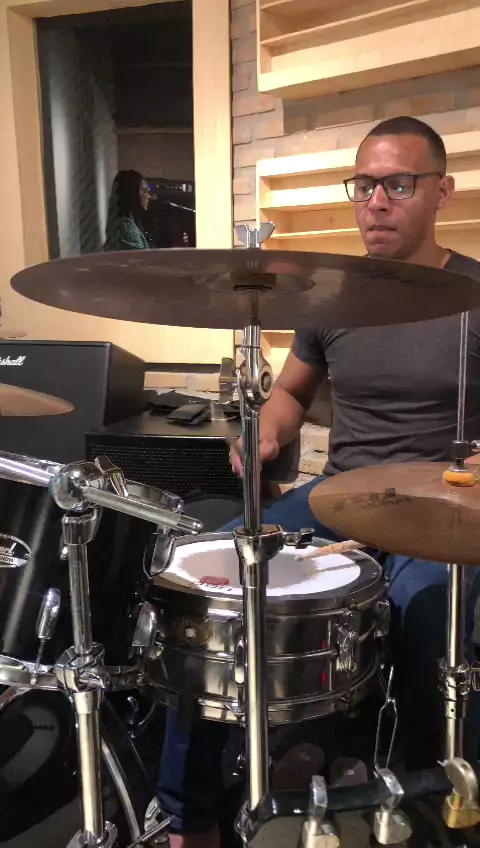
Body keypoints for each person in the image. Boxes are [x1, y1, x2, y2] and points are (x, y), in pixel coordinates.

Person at [156, 116, 480, 848]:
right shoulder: (333, 296)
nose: (377, 202)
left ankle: (426, 810)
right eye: (364, 185)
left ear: (442, 192)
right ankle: (189, 816)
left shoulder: (473, 293)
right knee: (213, 581)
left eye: (399, 184)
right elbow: (292, 392)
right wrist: (268, 429)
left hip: (445, 507)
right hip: (341, 496)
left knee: (428, 613)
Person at [104, 170, 151, 251]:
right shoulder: (125, 226)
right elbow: (140, 257)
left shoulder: (126, 223)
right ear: (131, 193)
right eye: (144, 190)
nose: (148, 196)